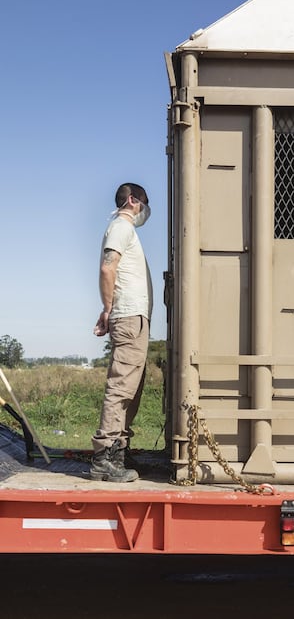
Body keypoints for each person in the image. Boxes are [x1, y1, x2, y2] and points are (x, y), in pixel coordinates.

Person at [90, 182, 153, 482]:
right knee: (121, 387)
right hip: (128, 316)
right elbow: (107, 268)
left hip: (132, 317)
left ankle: (117, 452)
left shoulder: (126, 230)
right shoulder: (121, 226)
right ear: (132, 200)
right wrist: (108, 308)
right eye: (144, 202)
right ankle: (105, 457)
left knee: (131, 388)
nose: (146, 209)